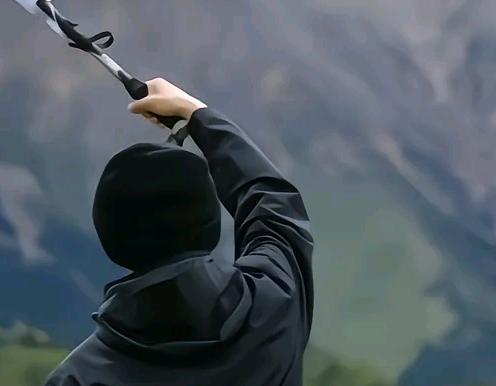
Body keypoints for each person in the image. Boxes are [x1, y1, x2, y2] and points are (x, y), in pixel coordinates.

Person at [44, 78, 314, 386]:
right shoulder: (275, 304)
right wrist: (196, 113)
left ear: (111, 239)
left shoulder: (78, 378)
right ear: (209, 223)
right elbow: (272, 203)